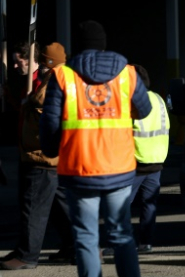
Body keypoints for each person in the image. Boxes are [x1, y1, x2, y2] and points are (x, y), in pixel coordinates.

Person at [40, 20, 152, 277]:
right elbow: (144, 110)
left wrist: (49, 150)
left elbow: (50, 122)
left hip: (79, 169)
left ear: (77, 47)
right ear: (103, 45)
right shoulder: (127, 73)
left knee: (86, 237)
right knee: (122, 234)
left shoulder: (63, 75)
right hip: (118, 166)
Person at [1, 42, 75, 270]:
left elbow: (45, 109)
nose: (15, 65)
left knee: (33, 207)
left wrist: (29, 101)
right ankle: (77, 248)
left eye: (19, 60)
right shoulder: (46, 80)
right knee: (59, 208)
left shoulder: (54, 79)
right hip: (46, 155)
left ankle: (27, 255)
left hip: (42, 155)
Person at [128, 64, 170, 253]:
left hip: (136, 160)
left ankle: (122, 242)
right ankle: (146, 242)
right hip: (156, 160)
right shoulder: (159, 100)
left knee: (121, 205)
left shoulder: (132, 101)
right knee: (149, 204)